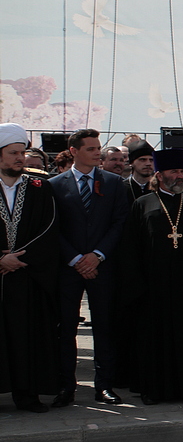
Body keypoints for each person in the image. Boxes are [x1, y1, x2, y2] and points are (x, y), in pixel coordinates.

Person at [117, 148, 183, 404]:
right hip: (154, 287)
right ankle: (154, 390)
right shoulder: (143, 204)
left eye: (182, 171)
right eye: (175, 171)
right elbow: (131, 248)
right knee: (155, 339)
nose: (181, 176)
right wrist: (137, 285)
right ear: (160, 175)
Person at [50, 127, 130, 407]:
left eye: (98, 148)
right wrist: (75, 259)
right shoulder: (55, 185)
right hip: (68, 269)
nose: (97, 153)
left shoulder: (114, 183)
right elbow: (53, 227)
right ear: (74, 151)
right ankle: (66, 386)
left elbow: (119, 223)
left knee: (105, 327)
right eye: (91, 149)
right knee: (66, 328)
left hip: (102, 267)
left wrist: (97, 255)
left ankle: (104, 385)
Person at [0, 124, 61, 413]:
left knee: (27, 337)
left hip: (28, 276)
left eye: (21, 153)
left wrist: (20, 258)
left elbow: (50, 228)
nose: (19, 158)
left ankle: (27, 395)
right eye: (13, 153)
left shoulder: (40, 187)